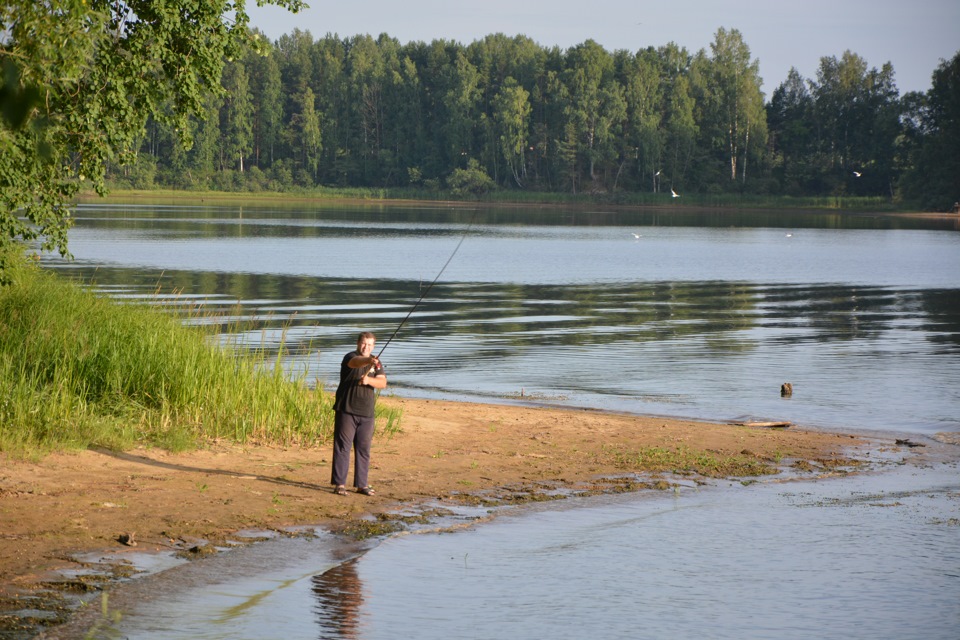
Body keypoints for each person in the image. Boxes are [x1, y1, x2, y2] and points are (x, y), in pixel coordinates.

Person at [331, 331, 387, 496]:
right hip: (346, 409)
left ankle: (362, 485)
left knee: (364, 449)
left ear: (373, 346)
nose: (366, 347)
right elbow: (355, 363)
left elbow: (383, 382)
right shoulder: (351, 357)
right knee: (342, 448)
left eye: (370, 345)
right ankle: (340, 484)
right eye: (364, 343)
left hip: (367, 412)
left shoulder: (376, 363)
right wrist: (368, 360)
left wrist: (369, 380)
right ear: (358, 343)